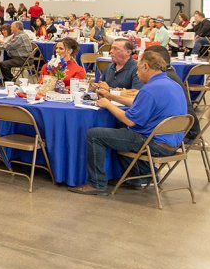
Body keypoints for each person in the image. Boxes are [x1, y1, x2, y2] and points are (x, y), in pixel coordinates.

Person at [69, 51, 190, 195]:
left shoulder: (149, 90)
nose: (137, 74)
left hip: (153, 144)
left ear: (146, 67)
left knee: (94, 135)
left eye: (138, 69)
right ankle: (140, 176)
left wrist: (108, 104)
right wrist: (111, 96)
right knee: (120, 128)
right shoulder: (172, 84)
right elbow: (139, 104)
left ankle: (97, 184)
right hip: (173, 142)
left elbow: (130, 121)